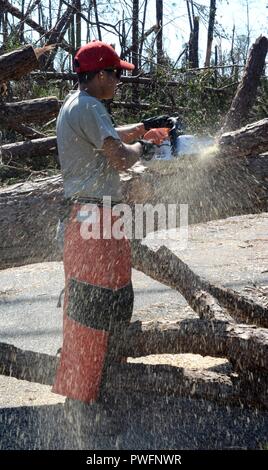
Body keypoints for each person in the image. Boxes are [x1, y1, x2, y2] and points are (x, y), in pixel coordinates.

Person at [52, 40, 175, 446]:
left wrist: (142, 128)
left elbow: (107, 137)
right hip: (95, 219)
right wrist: (150, 147)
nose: (119, 81)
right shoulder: (88, 106)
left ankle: (102, 391)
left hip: (101, 218)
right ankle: (83, 408)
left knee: (114, 302)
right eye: (116, 74)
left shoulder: (80, 104)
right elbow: (120, 158)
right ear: (100, 75)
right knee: (92, 312)